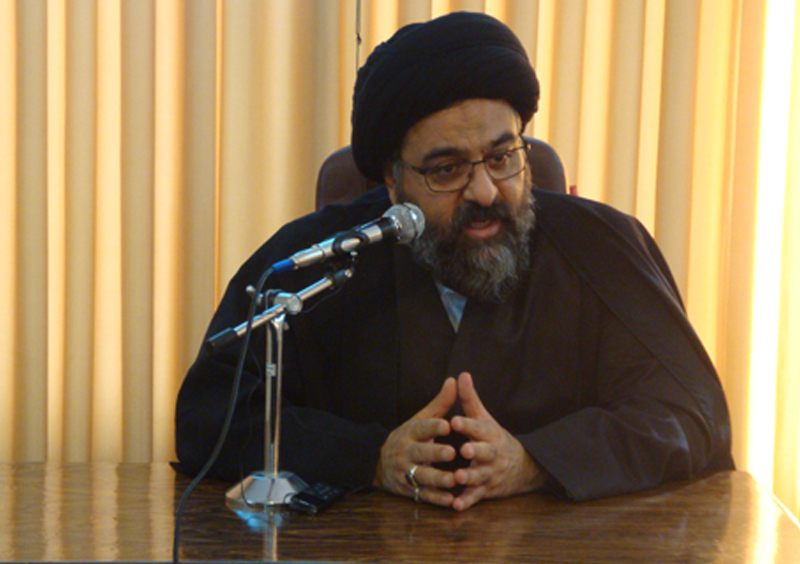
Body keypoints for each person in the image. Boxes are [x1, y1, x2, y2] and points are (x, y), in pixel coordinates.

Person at [175, 11, 733, 511]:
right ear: (392, 181)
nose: (485, 191)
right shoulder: (317, 261)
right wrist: (370, 457)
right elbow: (209, 415)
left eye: (502, 156)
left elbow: (688, 415)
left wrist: (535, 462)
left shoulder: (601, 248)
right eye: (447, 169)